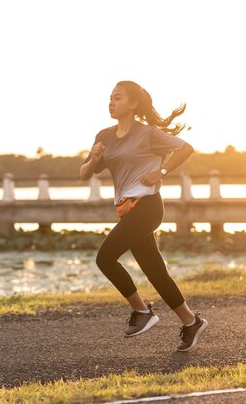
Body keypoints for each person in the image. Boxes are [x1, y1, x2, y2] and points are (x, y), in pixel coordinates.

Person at [80, 80, 208, 352]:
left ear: (134, 103)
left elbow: (185, 148)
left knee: (105, 258)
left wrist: (161, 172)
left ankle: (142, 311)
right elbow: (84, 173)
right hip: (126, 209)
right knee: (155, 271)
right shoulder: (105, 136)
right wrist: (93, 158)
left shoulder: (148, 133)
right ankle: (190, 321)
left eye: (118, 98)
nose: (111, 102)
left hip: (148, 206)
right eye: (110, 98)